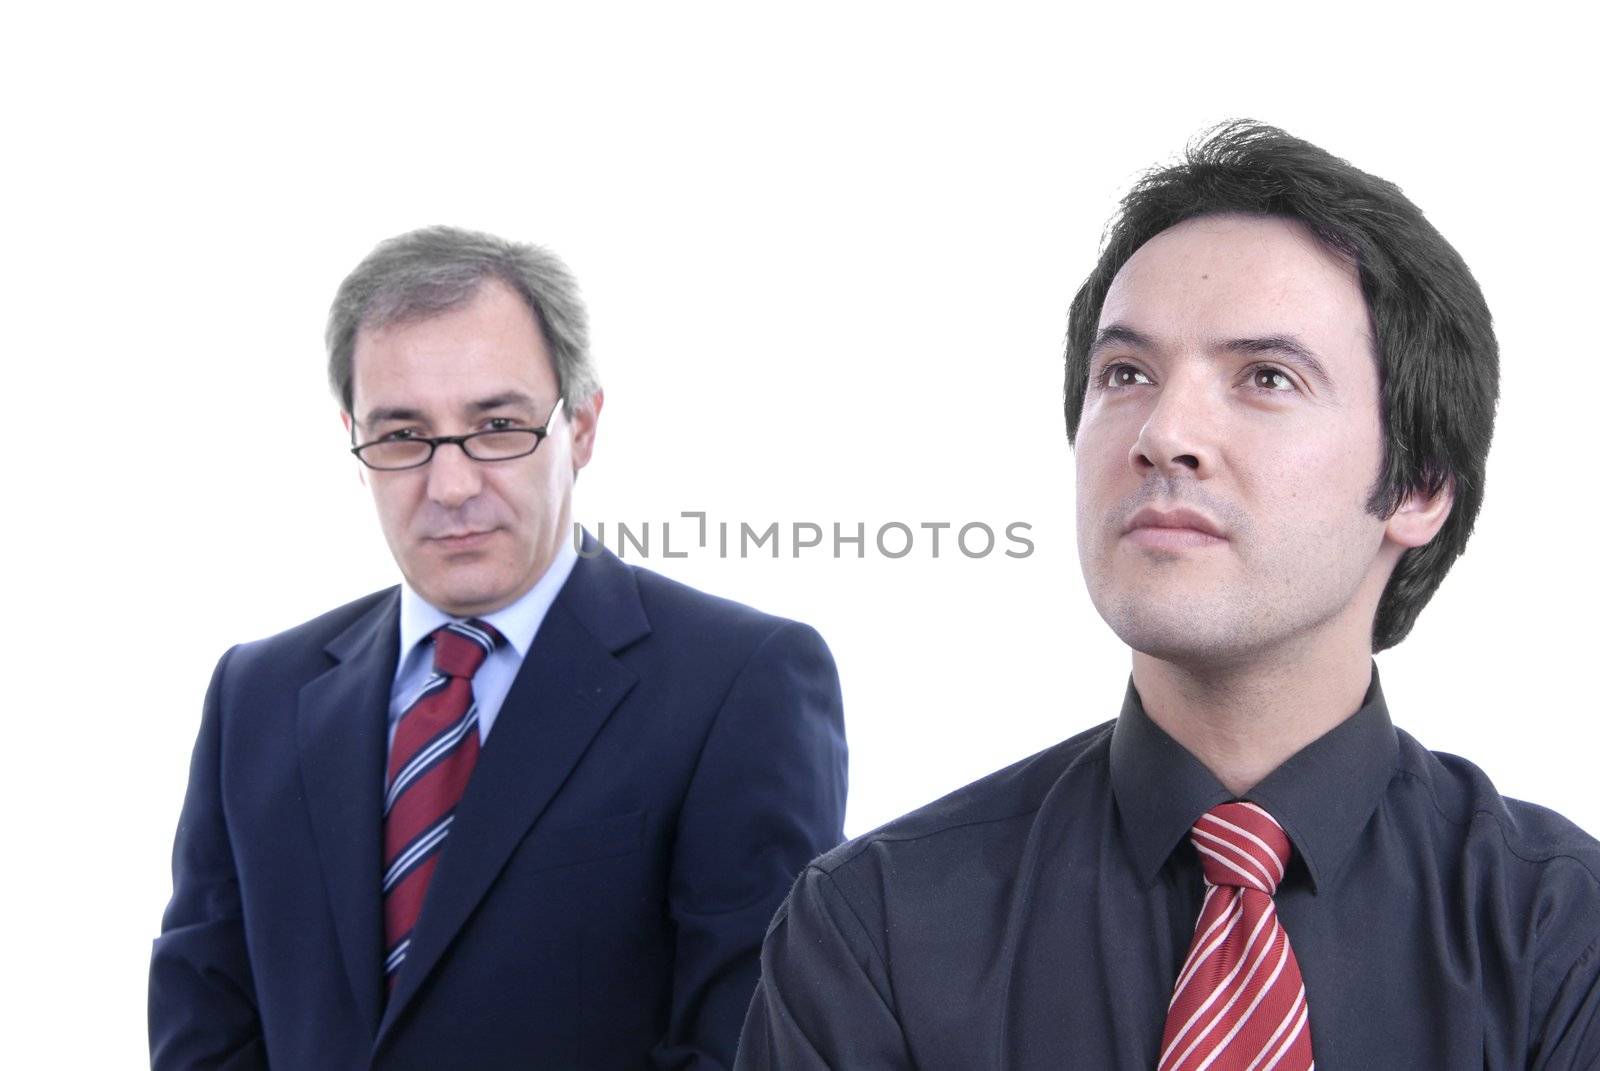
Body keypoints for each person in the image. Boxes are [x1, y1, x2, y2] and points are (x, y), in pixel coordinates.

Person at [736, 123, 1600, 1069]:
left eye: (1266, 377)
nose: (1162, 431)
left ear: (1419, 486)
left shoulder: (1561, 937)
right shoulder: (879, 929)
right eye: (1126, 374)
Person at [150, 226, 848, 1069]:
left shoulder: (740, 682)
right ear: (354, 440)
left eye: (498, 425)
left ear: (582, 426)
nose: (451, 485)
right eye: (402, 434)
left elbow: (744, 1045)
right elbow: (205, 1024)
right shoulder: (256, 694)